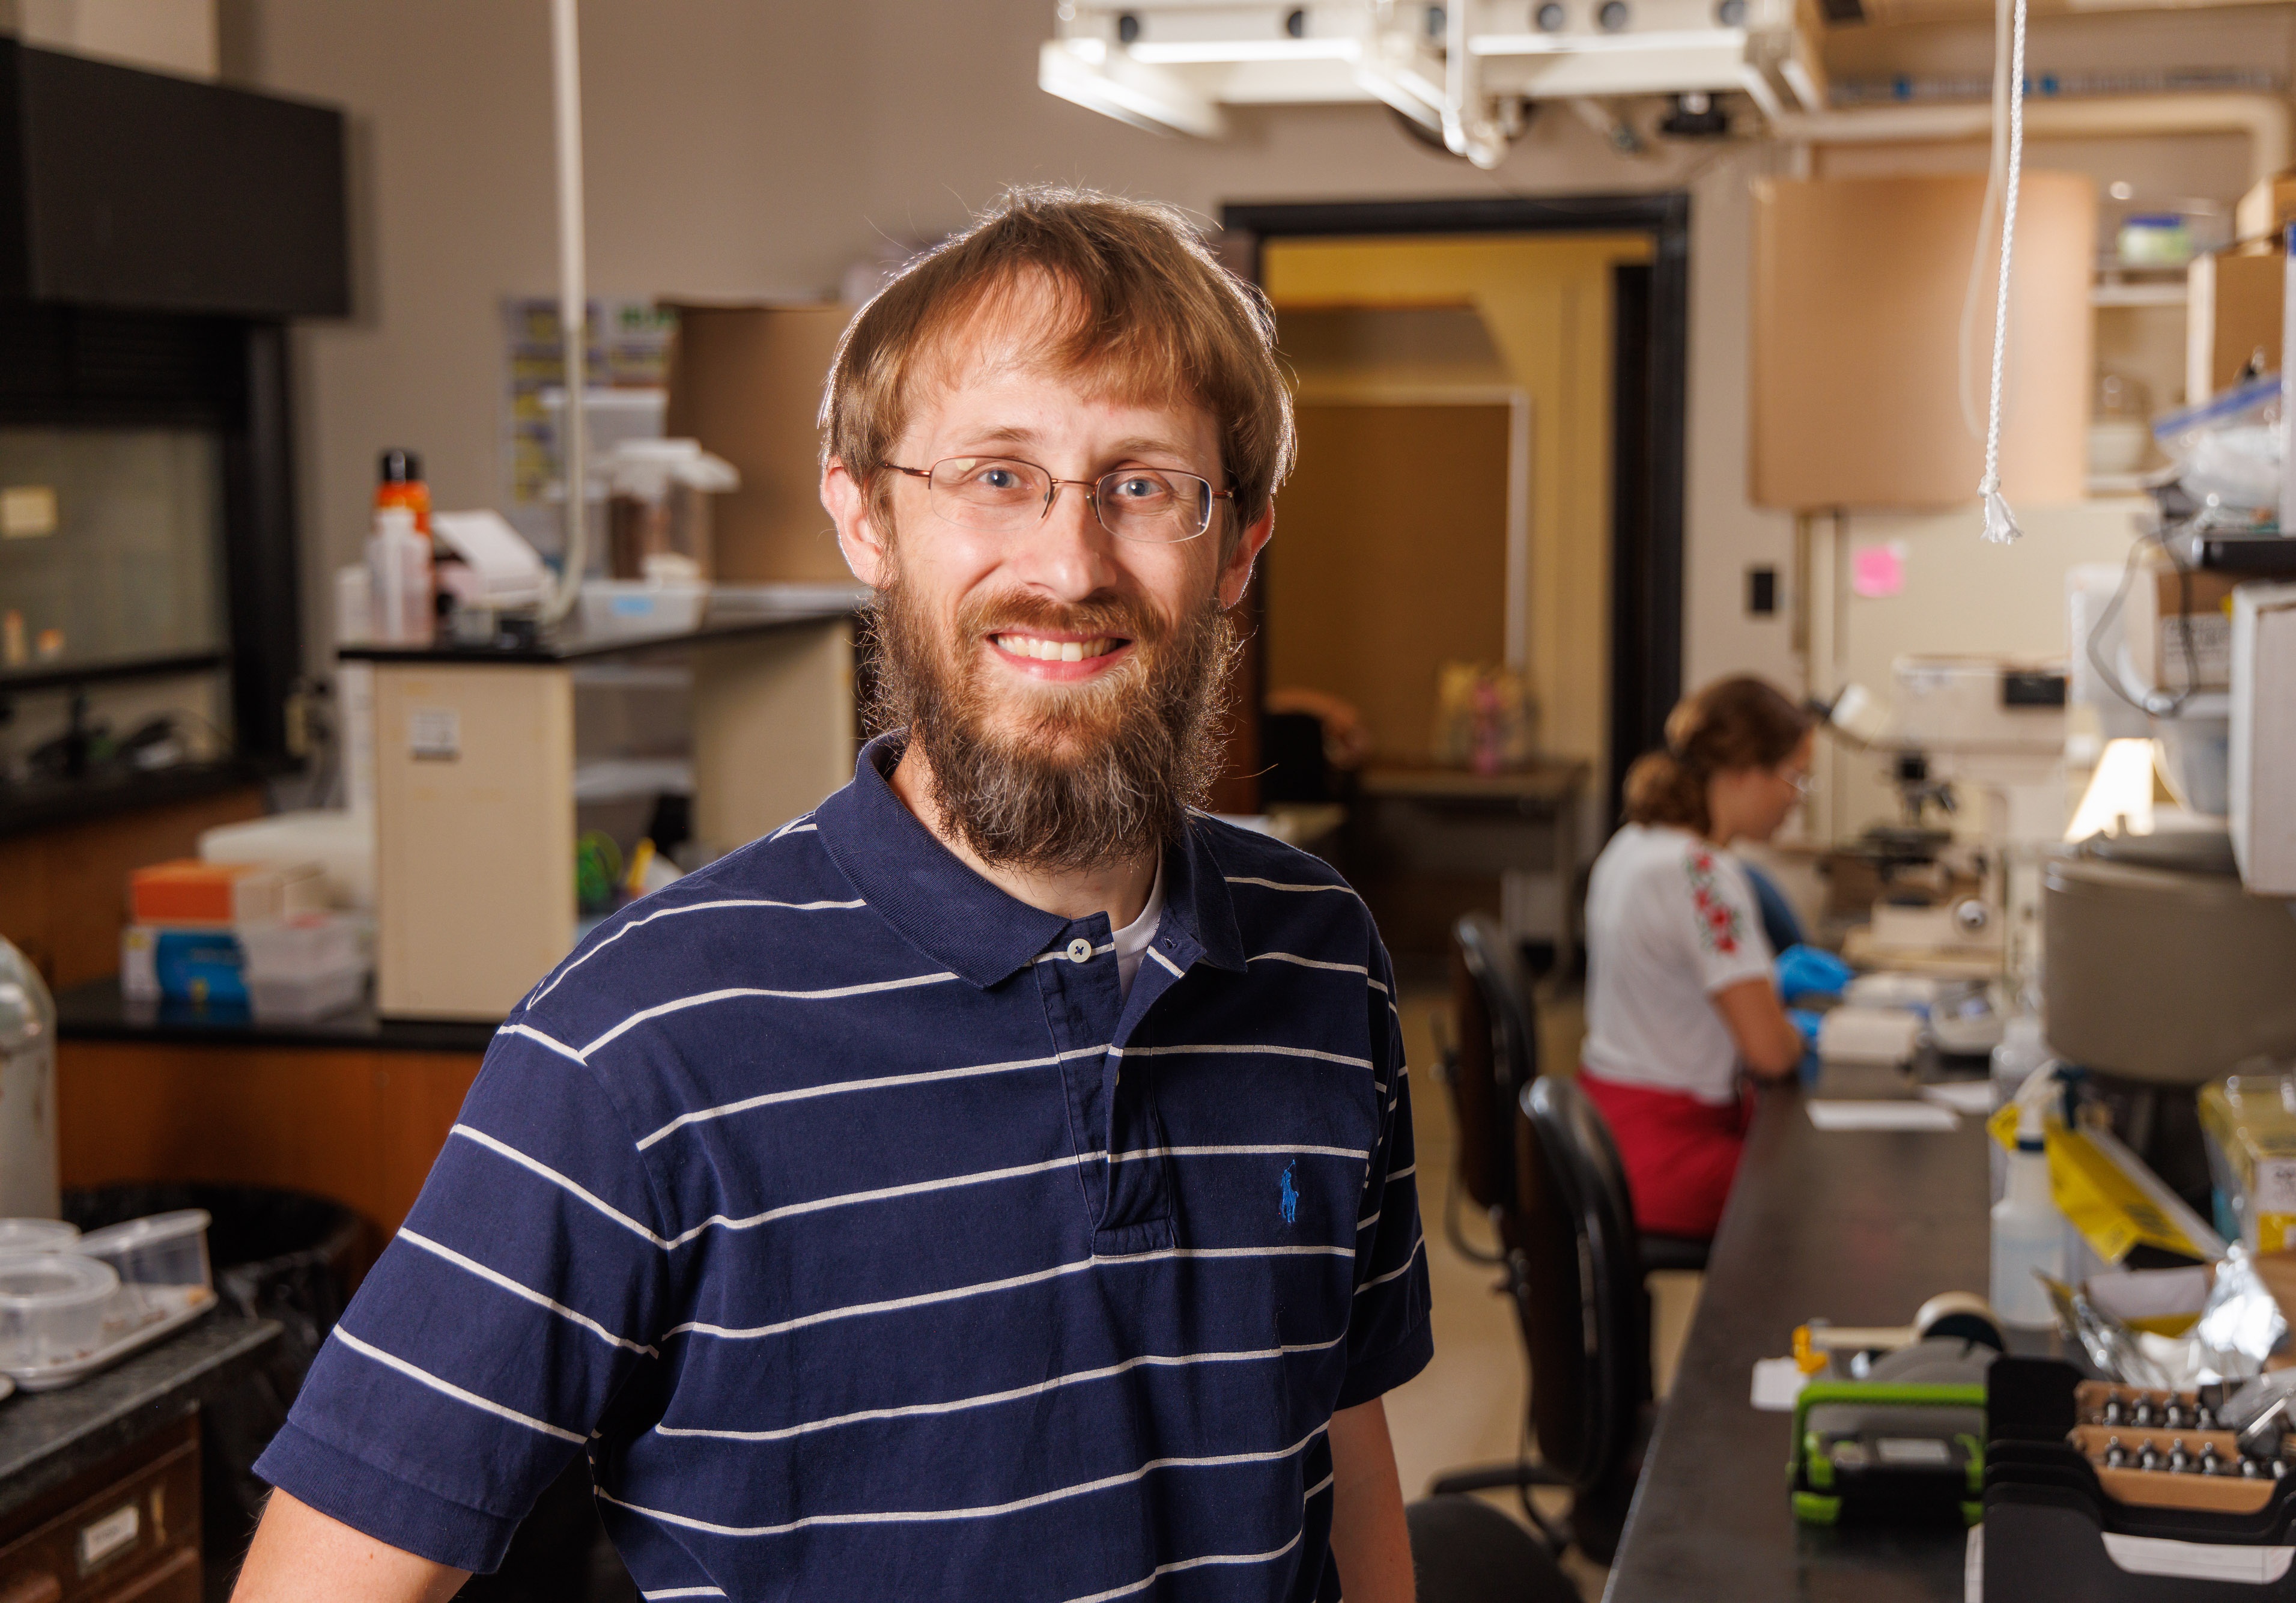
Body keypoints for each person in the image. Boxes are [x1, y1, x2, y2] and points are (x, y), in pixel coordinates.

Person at [232, 190, 1430, 1603]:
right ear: (864, 516)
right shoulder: (635, 1045)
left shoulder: (1319, 959)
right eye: (995, 475)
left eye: (1144, 482)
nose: (1067, 564)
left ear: (1235, 547)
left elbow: (1339, 1443)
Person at [1577, 675, 1815, 1241]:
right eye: (1793, 777)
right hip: (1664, 1153)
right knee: (1826, 1193)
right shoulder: (1702, 872)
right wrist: (1800, 1034)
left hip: (1608, 1135)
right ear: (1742, 771)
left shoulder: (1633, 844)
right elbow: (1771, 1054)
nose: (1795, 797)